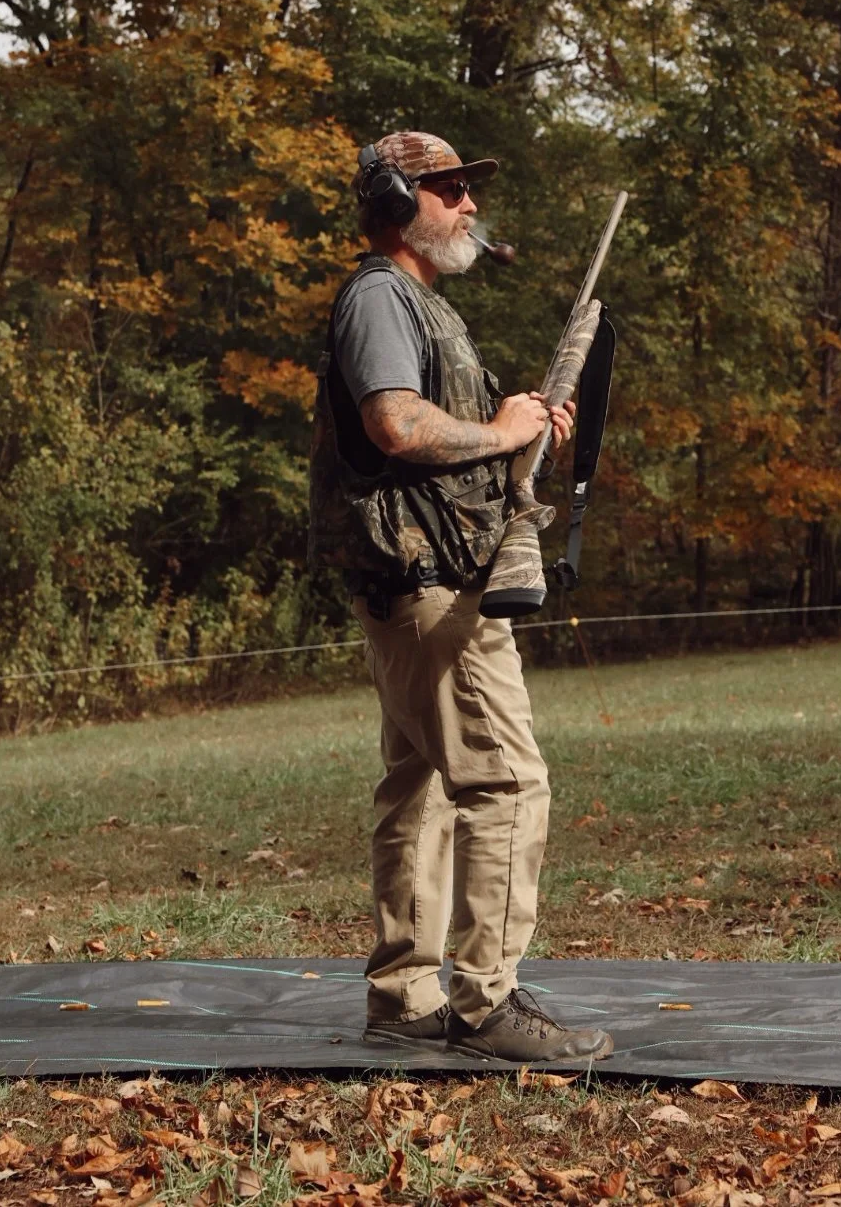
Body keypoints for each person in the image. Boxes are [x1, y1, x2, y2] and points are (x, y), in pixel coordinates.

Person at [308, 131, 615, 1063]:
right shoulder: (380, 298)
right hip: (435, 592)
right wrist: (496, 428)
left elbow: (458, 448)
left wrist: (526, 436)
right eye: (449, 190)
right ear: (400, 203)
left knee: (418, 792)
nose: (469, 206)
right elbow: (397, 425)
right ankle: (487, 1007)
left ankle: (405, 996)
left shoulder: (416, 305)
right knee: (509, 784)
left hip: (419, 581)